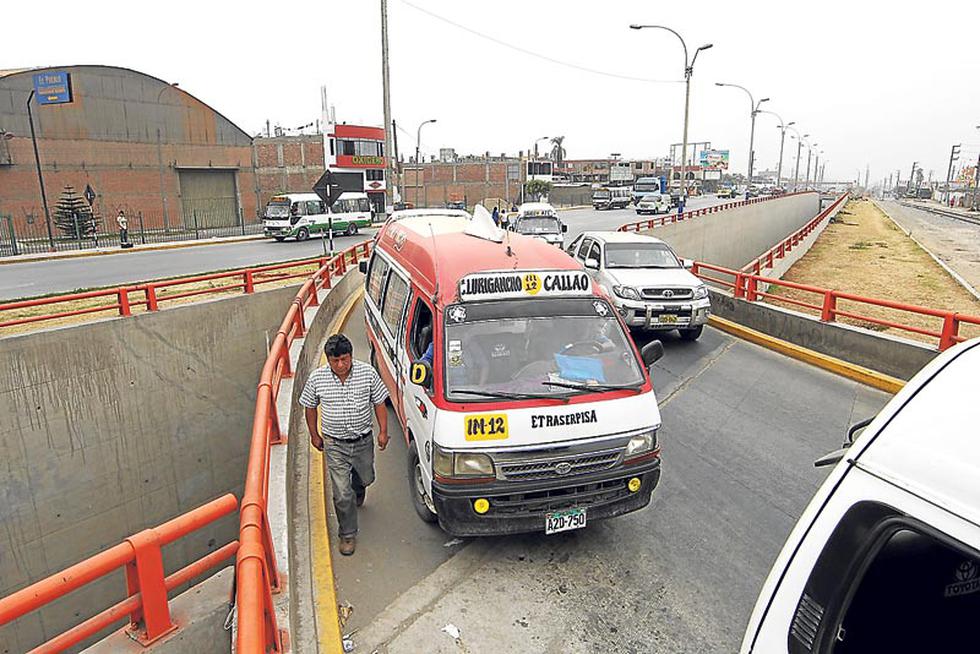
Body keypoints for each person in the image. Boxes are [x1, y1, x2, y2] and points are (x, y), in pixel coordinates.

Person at [299, 334, 389, 556]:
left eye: (344, 359)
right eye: (335, 361)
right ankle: (347, 533)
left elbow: (379, 402)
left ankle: (359, 487)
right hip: (334, 444)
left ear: (351, 356)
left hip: (362, 441)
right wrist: (314, 434)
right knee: (341, 493)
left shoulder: (367, 373)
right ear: (328, 359)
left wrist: (383, 432)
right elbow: (309, 406)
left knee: (365, 476)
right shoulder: (317, 379)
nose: (340, 365)